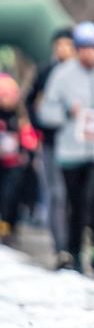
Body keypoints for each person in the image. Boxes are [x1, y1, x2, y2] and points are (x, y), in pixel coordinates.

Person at [38, 22, 94, 277]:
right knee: (76, 204)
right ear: (77, 50)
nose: (88, 54)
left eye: (93, 49)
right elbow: (45, 112)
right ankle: (76, 252)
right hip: (71, 151)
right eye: (83, 49)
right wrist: (68, 112)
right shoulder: (62, 74)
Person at [25, 27, 76, 267]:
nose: (63, 50)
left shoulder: (82, 73)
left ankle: (75, 246)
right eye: (59, 45)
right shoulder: (46, 71)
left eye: (67, 45)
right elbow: (30, 100)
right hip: (52, 142)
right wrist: (40, 125)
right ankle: (61, 247)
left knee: (74, 197)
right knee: (56, 194)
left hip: (79, 144)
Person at [0, 74, 39, 243]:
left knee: (11, 196)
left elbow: (30, 139)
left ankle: (8, 227)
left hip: (15, 164)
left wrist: (26, 152)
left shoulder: (21, 118)